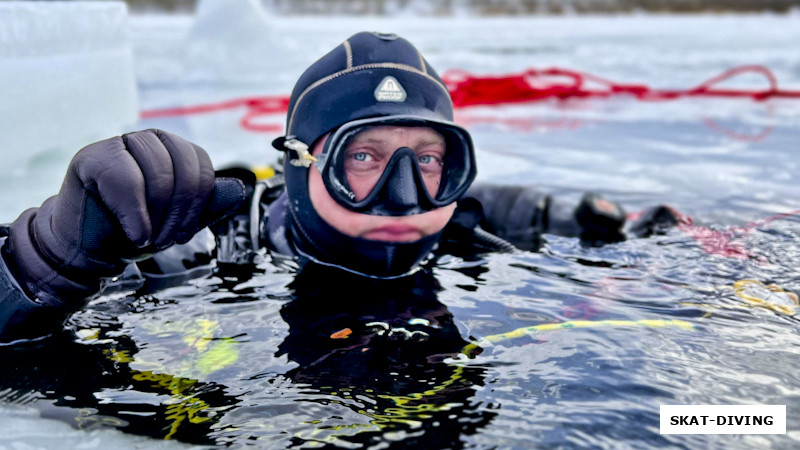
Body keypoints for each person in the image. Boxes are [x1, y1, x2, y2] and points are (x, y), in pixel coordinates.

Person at [0, 32, 677, 343]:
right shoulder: (209, 253)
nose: (405, 196)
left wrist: (577, 218)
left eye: (429, 160)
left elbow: (481, 207)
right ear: (299, 165)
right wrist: (47, 258)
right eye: (363, 158)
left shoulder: (468, 228)